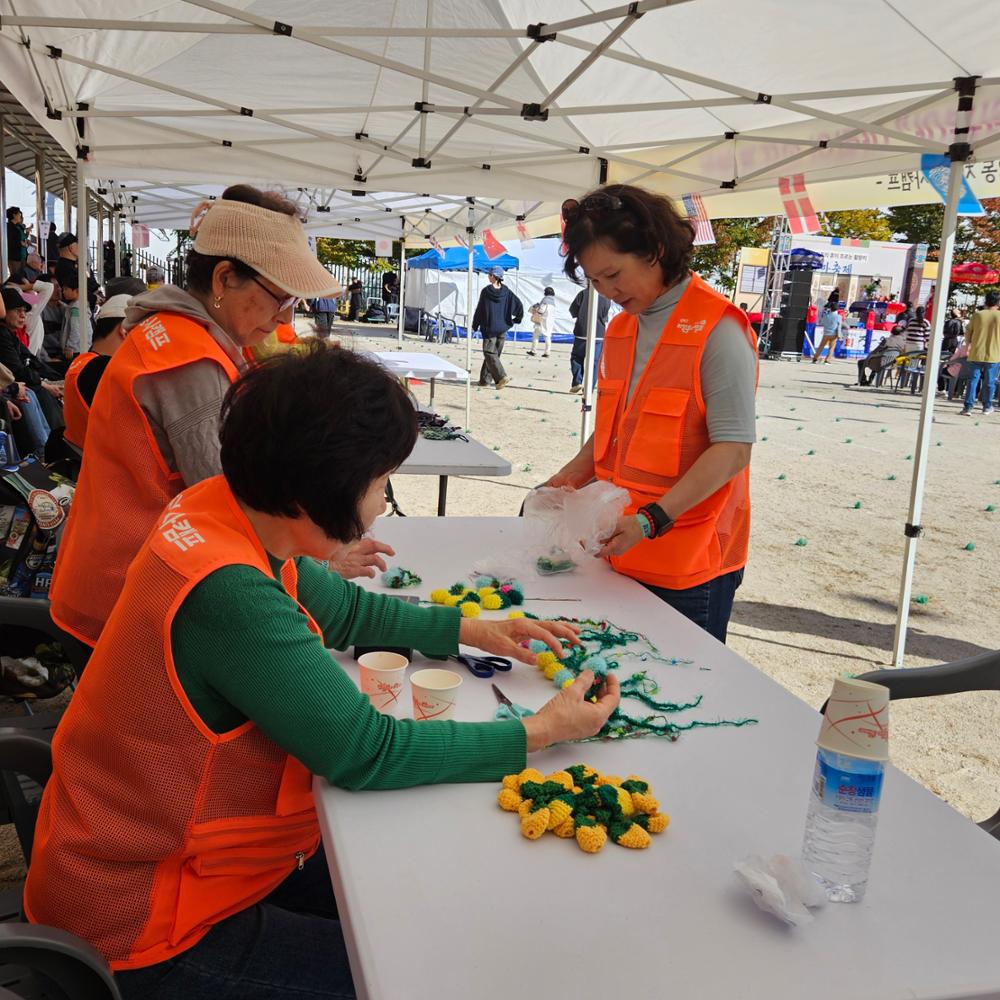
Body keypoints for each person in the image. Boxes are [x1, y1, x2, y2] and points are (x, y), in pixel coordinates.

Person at [25, 344, 620, 999]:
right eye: (379, 483)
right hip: (143, 917)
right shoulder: (230, 592)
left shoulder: (224, 509)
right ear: (320, 490)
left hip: (164, 852)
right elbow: (365, 751)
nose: (384, 502)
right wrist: (541, 730)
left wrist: (473, 630)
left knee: (411, 898)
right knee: (409, 971)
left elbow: (338, 607)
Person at [48, 184, 391, 654]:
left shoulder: (177, 333)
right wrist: (325, 554)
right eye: (279, 298)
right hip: (131, 588)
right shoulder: (189, 361)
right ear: (225, 278)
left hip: (126, 571)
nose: (282, 317)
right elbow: (237, 502)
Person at [546, 184, 757, 644]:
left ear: (656, 251)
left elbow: (733, 449)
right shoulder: (623, 328)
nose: (607, 291)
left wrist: (652, 520)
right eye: (595, 281)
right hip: (619, 553)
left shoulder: (717, 329)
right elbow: (618, 430)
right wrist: (566, 479)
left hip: (688, 566)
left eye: (613, 274)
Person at [61, 293, 131, 450]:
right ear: (124, 331)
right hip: (104, 463)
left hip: (81, 455)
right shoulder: (104, 369)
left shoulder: (81, 362)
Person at [0, 288, 64, 430]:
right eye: (17, 310)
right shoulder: (3, 334)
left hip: (23, 380)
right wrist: (44, 384)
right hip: (15, 386)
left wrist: (56, 378)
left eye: (24, 311)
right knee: (35, 393)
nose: (23, 315)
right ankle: (47, 445)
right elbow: (18, 370)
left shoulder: (11, 334)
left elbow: (32, 360)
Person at [472, 264, 523, 389]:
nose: (488, 276)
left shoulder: (486, 291)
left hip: (490, 328)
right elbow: (519, 304)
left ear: (494, 276)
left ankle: (501, 377)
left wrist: (475, 325)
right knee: (494, 356)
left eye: (489, 274)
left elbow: (480, 309)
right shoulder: (507, 292)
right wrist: (517, 319)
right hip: (502, 328)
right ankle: (484, 380)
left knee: (490, 353)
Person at [960, 289, 1000, 416]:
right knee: (990, 382)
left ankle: (968, 407)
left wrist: (968, 346)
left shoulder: (978, 315)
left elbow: (968, 332)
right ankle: (987, 406)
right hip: (994, 353)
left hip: (976, 352)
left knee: (973, 380)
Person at [568, 286, 610, 391]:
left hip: (582, 331)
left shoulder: (583, 294)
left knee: (577, 357)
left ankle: (577, 381)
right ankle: (589, 387)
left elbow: (573, 310)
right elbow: (605, 315)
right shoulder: (606, 296)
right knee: (595, 362)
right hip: (598, 333)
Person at [528, 286, 557, 357]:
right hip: (550, 322)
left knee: (536, 335)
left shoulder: (545, 300)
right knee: (547, 336)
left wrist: (535, 309)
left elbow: (541, 310)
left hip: (541, 321)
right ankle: (547, 352)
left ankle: (533, 351)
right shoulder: (553, 302)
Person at [5, 207, 30, 281]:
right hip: (14, 257)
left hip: (23, 256)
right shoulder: (8, 227)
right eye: (19, 213)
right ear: (14, 215)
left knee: (23, 277)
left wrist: (26, 238)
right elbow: (9, 241)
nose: (20, 215)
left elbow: (21, 238)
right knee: (16, 278)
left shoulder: (19, 226)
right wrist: (21, 243)